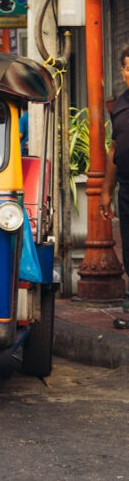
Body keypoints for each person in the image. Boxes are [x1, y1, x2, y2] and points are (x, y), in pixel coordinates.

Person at [99, 46, 129, 321]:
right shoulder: (119, 105)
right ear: (123, 72)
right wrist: (106, 191)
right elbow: (113, 149)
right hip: (126, 187)